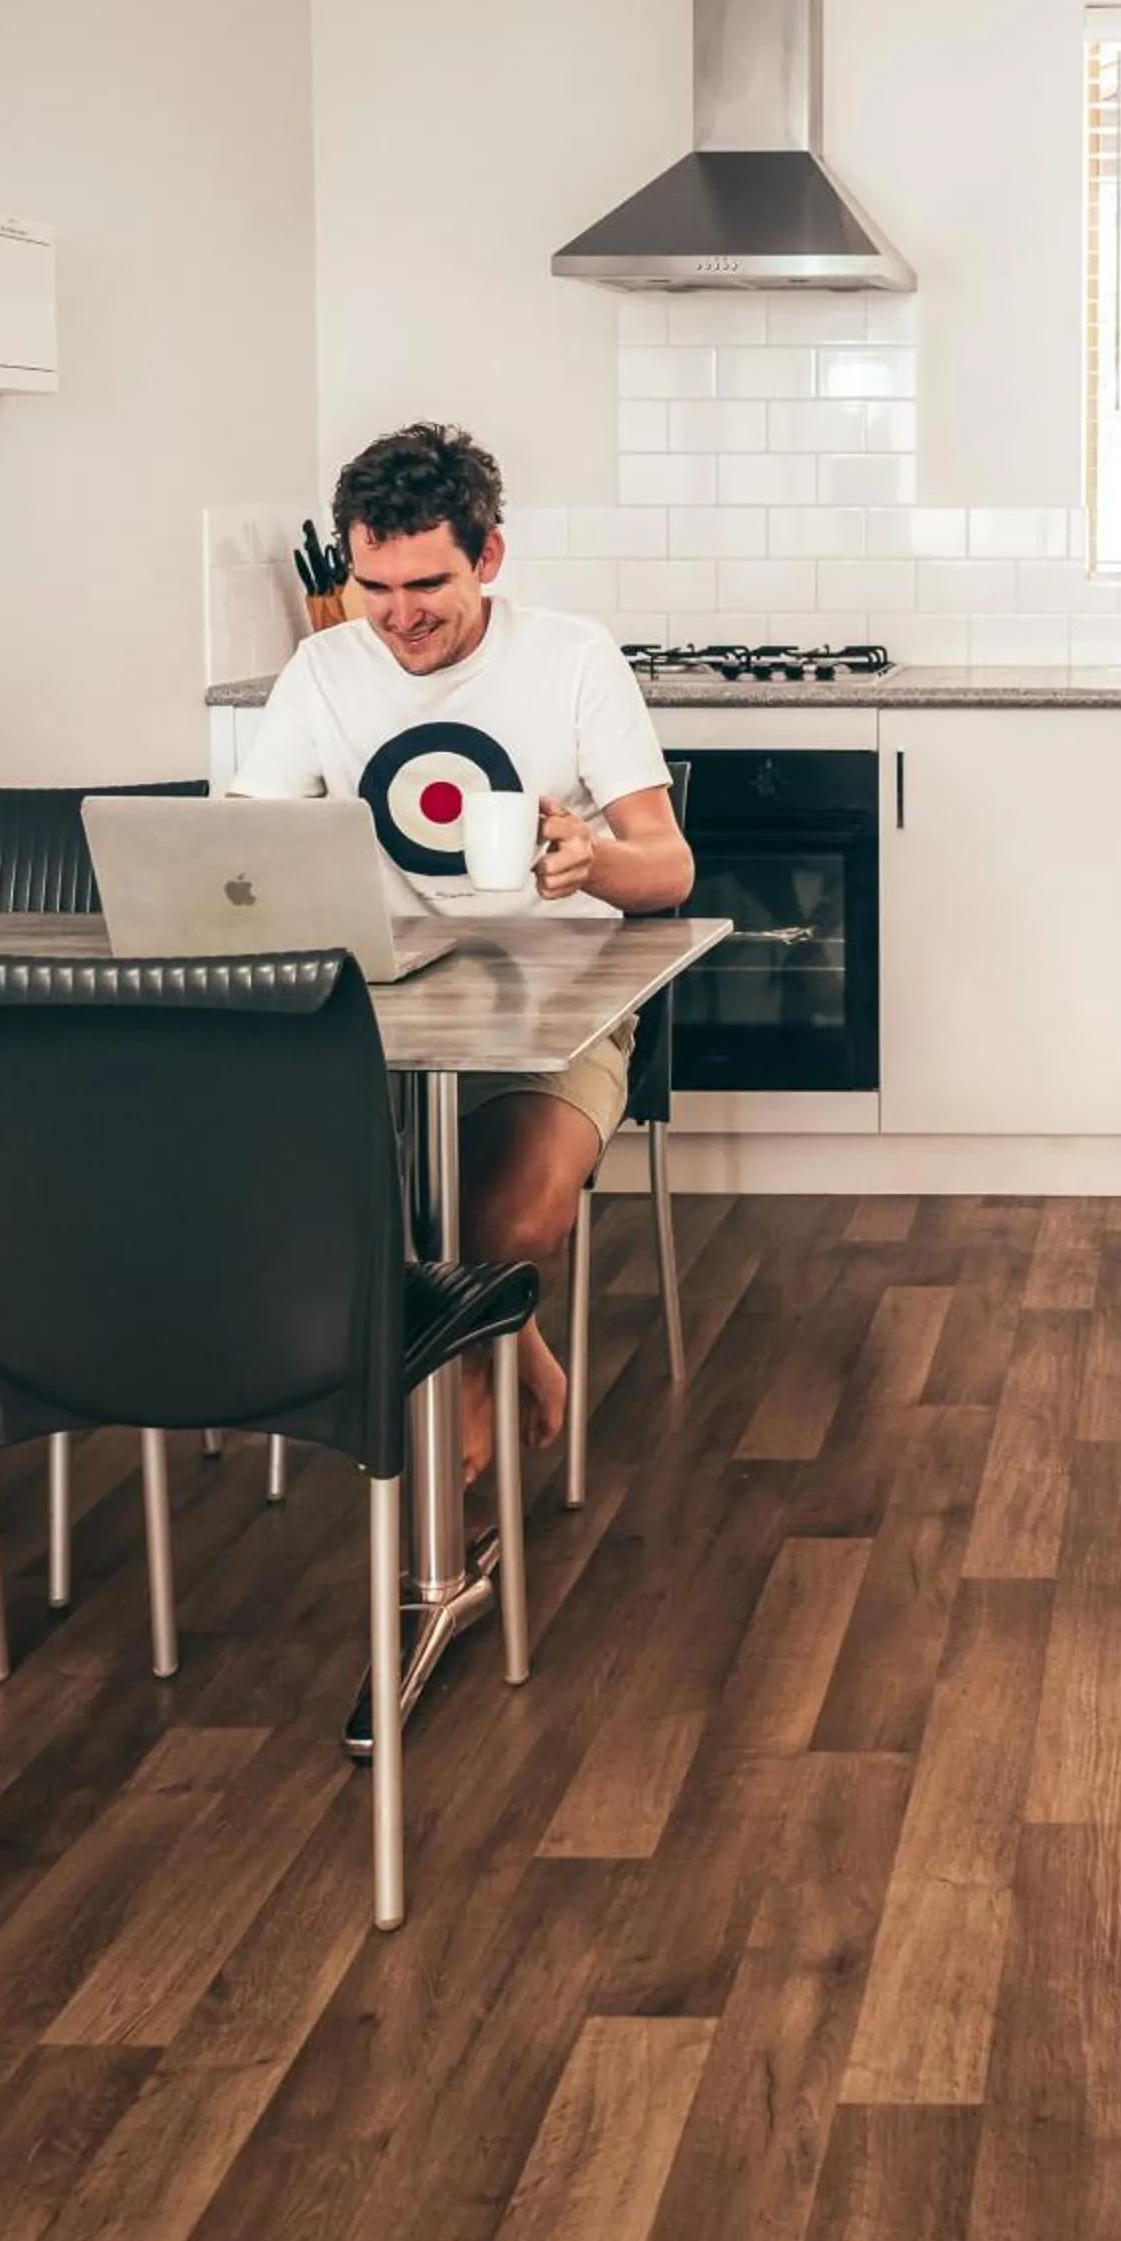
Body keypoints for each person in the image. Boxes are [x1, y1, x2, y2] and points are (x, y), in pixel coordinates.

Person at [231, 422, 693, 1480]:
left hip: (556, 995)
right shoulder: (324, 667)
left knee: (514, 1216)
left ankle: (477, 1366)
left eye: (427, 584)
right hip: (373, 1006)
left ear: (488, 556)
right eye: (372, 586)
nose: (398, 617)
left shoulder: (572, 657)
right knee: (291, 1199)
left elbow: (669, 870)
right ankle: (505, 1343)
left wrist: (591, 859)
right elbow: (246, 843)